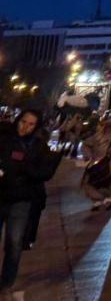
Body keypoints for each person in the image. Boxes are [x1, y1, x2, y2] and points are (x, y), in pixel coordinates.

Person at [0, 110, 52, 295]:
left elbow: (45, 172)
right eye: (23, 121)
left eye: (31, 124)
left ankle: (6, 284)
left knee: (14, 243)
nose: (25, 127)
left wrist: (25, 168)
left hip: (21, 201)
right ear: (18, 120)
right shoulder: (5, 138)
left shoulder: (38, 146)